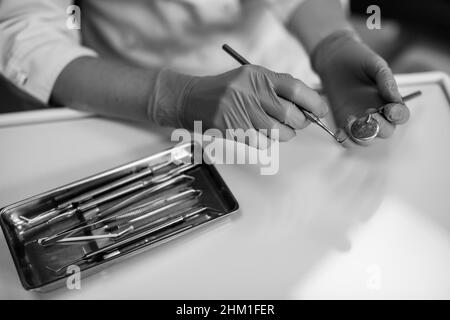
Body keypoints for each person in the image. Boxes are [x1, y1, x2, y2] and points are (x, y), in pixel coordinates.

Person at [0, 0, 409, 147]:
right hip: (128, 102)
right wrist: (173, 98)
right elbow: (27, 34)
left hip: (292, 83)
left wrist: (332, 45)